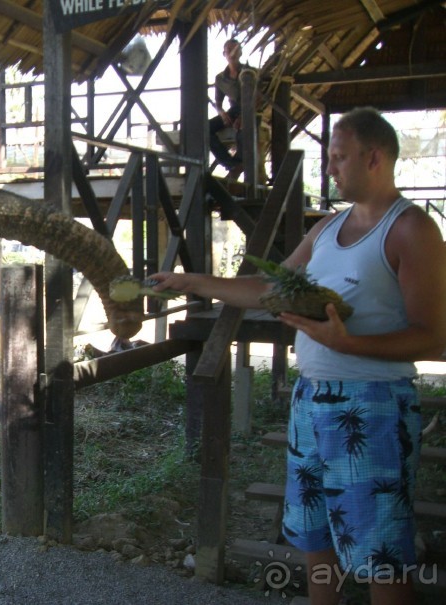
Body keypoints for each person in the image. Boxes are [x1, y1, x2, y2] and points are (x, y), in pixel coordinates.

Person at [151, 107, 446, 604]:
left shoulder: (411, 229)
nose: (329, 168)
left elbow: (435, 337)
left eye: (338, 157)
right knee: (314, 536)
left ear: (374, 158)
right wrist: (194, 281)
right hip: (310, 402)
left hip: (371, 405)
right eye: (328, 158)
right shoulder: (327, 228)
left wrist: (349, 345)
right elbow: (271, 286)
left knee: (381, 555)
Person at [209, 39, 252, 180]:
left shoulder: (250, 72)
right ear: (224, 53)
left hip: (250, 110)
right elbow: (218, 102)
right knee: (205, 129)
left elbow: (258, 98)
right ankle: (231, 164)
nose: (232, 53)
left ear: (240, 52)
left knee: (242, 131)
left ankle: (241, 165)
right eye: (229, 50)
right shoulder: (220, 78)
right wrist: (222, 113)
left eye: (235, 49)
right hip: (233, 111)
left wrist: (244, 116)